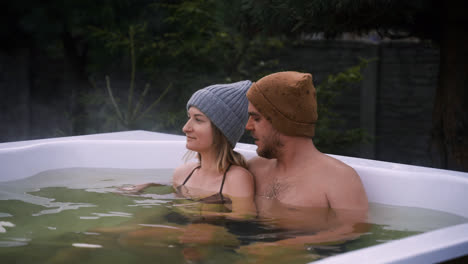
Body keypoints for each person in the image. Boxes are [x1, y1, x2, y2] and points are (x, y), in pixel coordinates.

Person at [238, 71, 369, 252]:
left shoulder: (339, 178)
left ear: (282, 120)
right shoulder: (254, 168)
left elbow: (355, 230)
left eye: (256, 118)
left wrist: (285, 248)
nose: (248, 126)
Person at [171, 80, 257, 218]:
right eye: (189, 117)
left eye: (198, 120)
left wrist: (204, 212)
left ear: (221, 131)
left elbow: (245, 219)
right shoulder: (181, 173)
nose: (186, 128)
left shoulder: (236, 178)